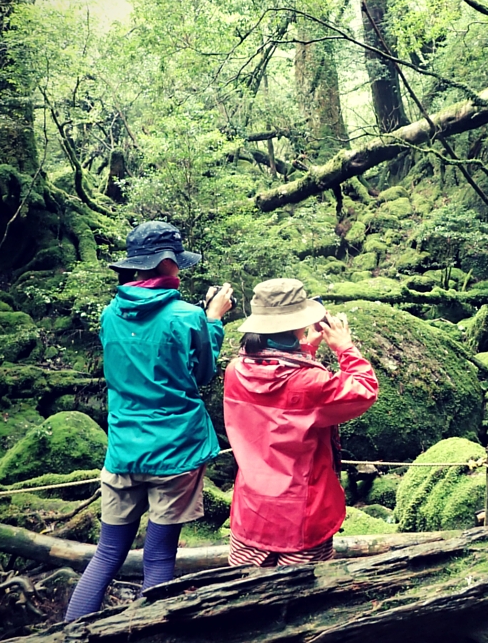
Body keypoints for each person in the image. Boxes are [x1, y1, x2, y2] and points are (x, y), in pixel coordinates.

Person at [65, 221, 232, 621]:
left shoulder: (109, 315)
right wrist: (213, 320)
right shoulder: (188, 317)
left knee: (107, 554)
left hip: (124, 450)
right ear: (168, 264)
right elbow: (203, 374)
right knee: (159, 558)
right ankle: (149, 632)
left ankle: (67, 633)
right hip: (176, 450)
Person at [223, 278, 378, 566]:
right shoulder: (310, 381)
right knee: (302, 604)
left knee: (244, 598)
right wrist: (345, 348)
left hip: (252, 514)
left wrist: (305, 351)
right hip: (302, 518)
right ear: (298, 324)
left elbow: (278, 382)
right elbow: (364, 390)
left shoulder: (235, 371)